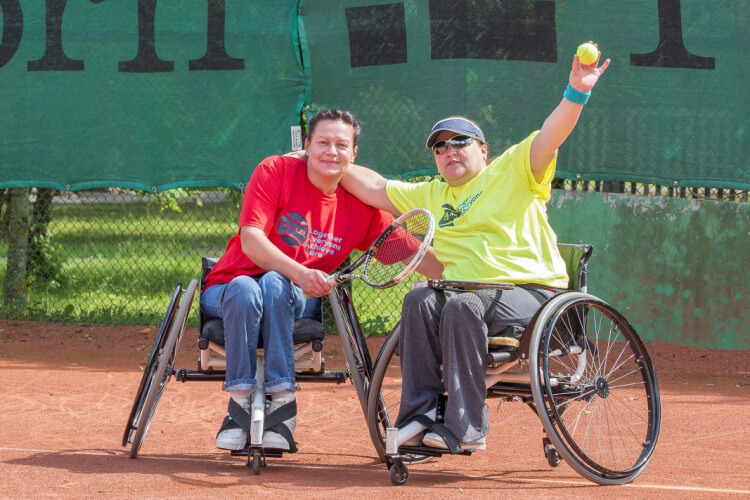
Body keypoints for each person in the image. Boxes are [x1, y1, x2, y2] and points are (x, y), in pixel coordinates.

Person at [339, 47, 610, 451]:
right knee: (418, 300)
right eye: (440, 147)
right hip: (467, 298)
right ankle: (419, 417)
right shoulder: (430, 194)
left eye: (459, 142)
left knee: (462, 304)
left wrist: (576, 93)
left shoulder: (514, 169)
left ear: (483, 149)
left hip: (536, 297)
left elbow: (552, 135)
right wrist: (324, 158)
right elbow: (373, 186)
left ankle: (467, 429)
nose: (449, 151)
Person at [201, 109, 440, 452]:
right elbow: (252, 240)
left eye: (342, 145)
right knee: (248, 285)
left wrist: (465, 275)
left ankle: (282, 404)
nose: (332, 151)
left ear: (354, 154)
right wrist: (300, 272)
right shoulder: (275, 170)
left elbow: (415, 256)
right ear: (307, 146)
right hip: (228, 289)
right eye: (323, 142)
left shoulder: (363, 209)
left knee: (274, 283)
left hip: (289, 295)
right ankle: (239, 401)